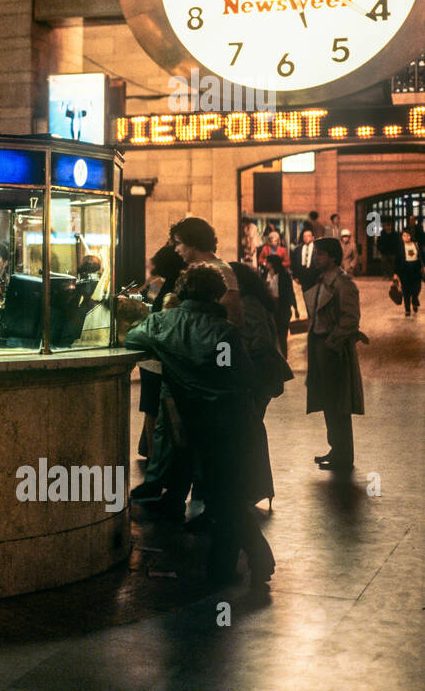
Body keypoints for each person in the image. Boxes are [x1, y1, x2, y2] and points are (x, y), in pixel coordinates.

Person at [125, 263, 274, 588]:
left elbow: (131, 339)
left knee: (225, 499)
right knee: (227, 497)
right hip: (232, 424)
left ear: (182, 290)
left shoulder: (161, 323)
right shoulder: (225, 332)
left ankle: (245, 565)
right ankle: (229, 571)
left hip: (193, 425)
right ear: (216, 293)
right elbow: (245, 376)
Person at [229, 261, 293, 510]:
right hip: (258, 377)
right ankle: (255, 489)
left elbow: (262, 343)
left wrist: (240, 364)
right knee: (251, 429)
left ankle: (253, 488)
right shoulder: (250, 302)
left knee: (249, 430)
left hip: (257, 378)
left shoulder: (249, 305)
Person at [305, 238, 368, 475]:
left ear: (331, 257)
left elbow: (350, 319)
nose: (315, 258)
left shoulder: (343, 284)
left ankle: (343, 454)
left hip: (334, 348)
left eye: (320, 255)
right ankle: (336, 449)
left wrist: (332, 343)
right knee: (328, 401)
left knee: (338, 403)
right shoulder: (323, 281)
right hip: (322, 346)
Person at [133, 244, 184, 474]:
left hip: (155, 354)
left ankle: (155, 457)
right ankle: (156, 457)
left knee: (151, 406)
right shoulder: (172, 284)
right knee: (154, 405)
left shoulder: (166, 285)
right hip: (159, 354)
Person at [168, 216, 242, 326]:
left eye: (178, 243)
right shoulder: (203, 268)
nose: (176, 249)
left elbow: (233, 315)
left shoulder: (221, 269)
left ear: (192, 242)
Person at [262, 253, 298, 357]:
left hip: (282, 308)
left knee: (282, 334)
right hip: (269, 307)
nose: (265, 264)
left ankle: (283, 356)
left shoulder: (284, 276)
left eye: (267, 262)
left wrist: (295, 307)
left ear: (272, 264)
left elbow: (290, 292)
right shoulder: (265, 275)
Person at [392, 227, 422, 317]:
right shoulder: (400, 247)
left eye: (408, 235)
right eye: (404, 235)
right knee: (406, 291)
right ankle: (407, 309)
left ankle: (415, 301)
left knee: (416, 288)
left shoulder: (416, 245)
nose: (406, 237)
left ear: (410, 236)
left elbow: (422, 256)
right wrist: (395, 273)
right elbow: (396, 261)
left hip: (416, 270)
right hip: (404, 271)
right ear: (402, 237)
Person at [292, 226, 319, 293]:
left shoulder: (317, 249)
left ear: (313, 237)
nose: (306, 238)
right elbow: (294, 263)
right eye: (304, 236)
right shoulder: (298, 249)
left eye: (308, 236)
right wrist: (295, 276)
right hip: (302, 277)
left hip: (314, 277)